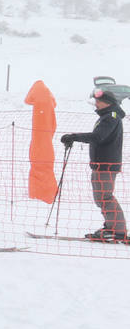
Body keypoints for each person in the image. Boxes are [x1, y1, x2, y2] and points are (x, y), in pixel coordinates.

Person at [61, 88, 126, 241]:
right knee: (101, 197)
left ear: (107, 103)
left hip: (106, 165)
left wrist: (74, 137)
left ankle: (118, 230)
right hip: (102, 164)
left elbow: (98, 136)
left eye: (98, 101)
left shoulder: (111, 117)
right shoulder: (108, 116)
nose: (95, 104)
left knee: (105, 197)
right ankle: (112, 227)